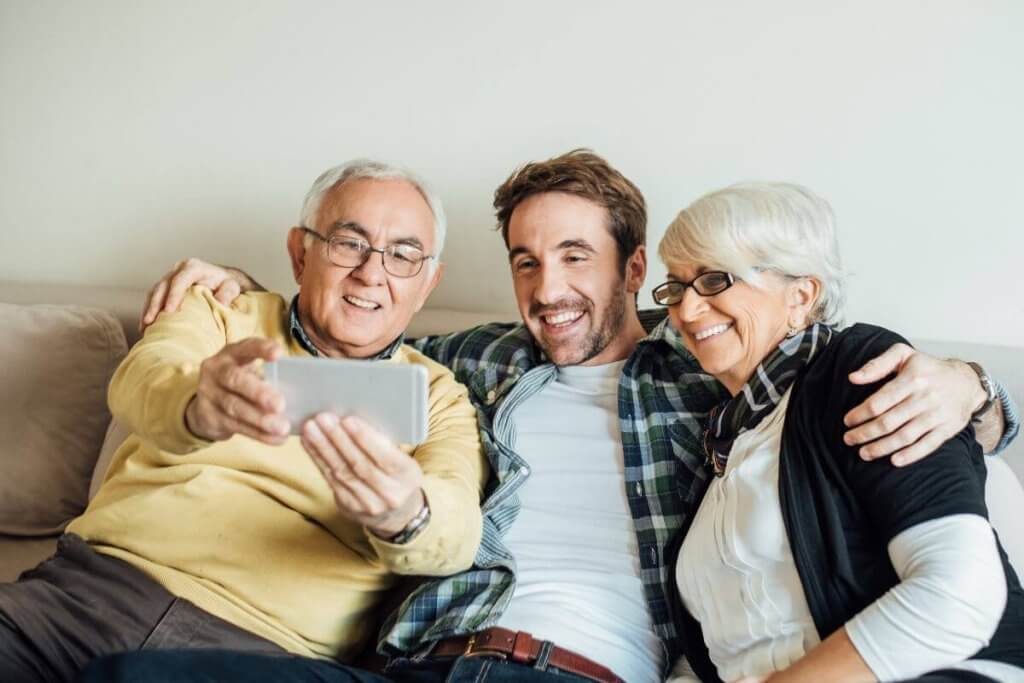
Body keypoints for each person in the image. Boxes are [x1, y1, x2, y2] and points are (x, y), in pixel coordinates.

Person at [81, 151, 1019, 683]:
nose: (549, 288)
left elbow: (837, 378)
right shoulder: (469, 363)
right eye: (527, 261)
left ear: (634, 264)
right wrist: (239, 287)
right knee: (135, 680)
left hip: (578, 673)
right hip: (415, 665)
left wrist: (978, 388)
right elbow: (351, 326)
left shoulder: (714, 374)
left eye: (576, 256)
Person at [0, 160, 487, 682]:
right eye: (349, 243)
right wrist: (196, 405)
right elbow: (142, 379)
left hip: (260, 652)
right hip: (84, 597)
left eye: (403, 255)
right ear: (300, 253)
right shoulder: (221, 312)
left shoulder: (440, 397)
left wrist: (406, 512)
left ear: (428, 283)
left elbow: (456, 529)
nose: (372, 272)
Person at [655, 183, 1023, 682]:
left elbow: (959, 593)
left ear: (801, 295)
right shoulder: (725, 440)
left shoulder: (861, 374)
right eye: (676, 288)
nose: (687, 311)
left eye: (715, 280)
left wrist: (977, 386)